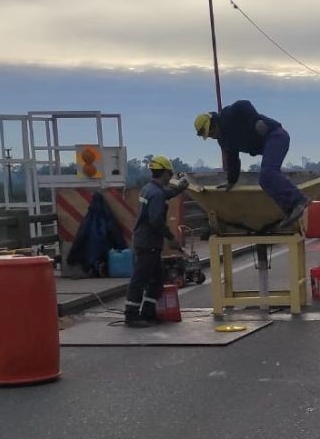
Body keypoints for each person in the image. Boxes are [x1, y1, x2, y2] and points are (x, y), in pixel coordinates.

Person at [193, 100, 309, 230]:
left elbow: (244, 104)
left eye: (211, 131)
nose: (212, 135)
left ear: (214, 122)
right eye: (209, 135)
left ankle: (299, 200)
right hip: (267, 145)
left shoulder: (227, 115)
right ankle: (290, 210)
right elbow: (233, 160)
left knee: (268, 174)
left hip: (275, 136)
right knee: (264, 181)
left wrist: (256, 120)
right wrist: (231, 180)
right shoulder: (224, 141)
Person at [125, 156, 188, 328]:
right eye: (170, 173)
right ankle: (131, 316)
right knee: (140, 280)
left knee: (156, 280)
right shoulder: (157, 194)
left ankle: (148, 313)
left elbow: (165, 193)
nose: (171, 176)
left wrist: (179, 189)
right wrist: (171, 238)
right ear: (166, 173)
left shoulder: (148, 189)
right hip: (148, 243)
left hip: (145, 241)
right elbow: (156, 221)